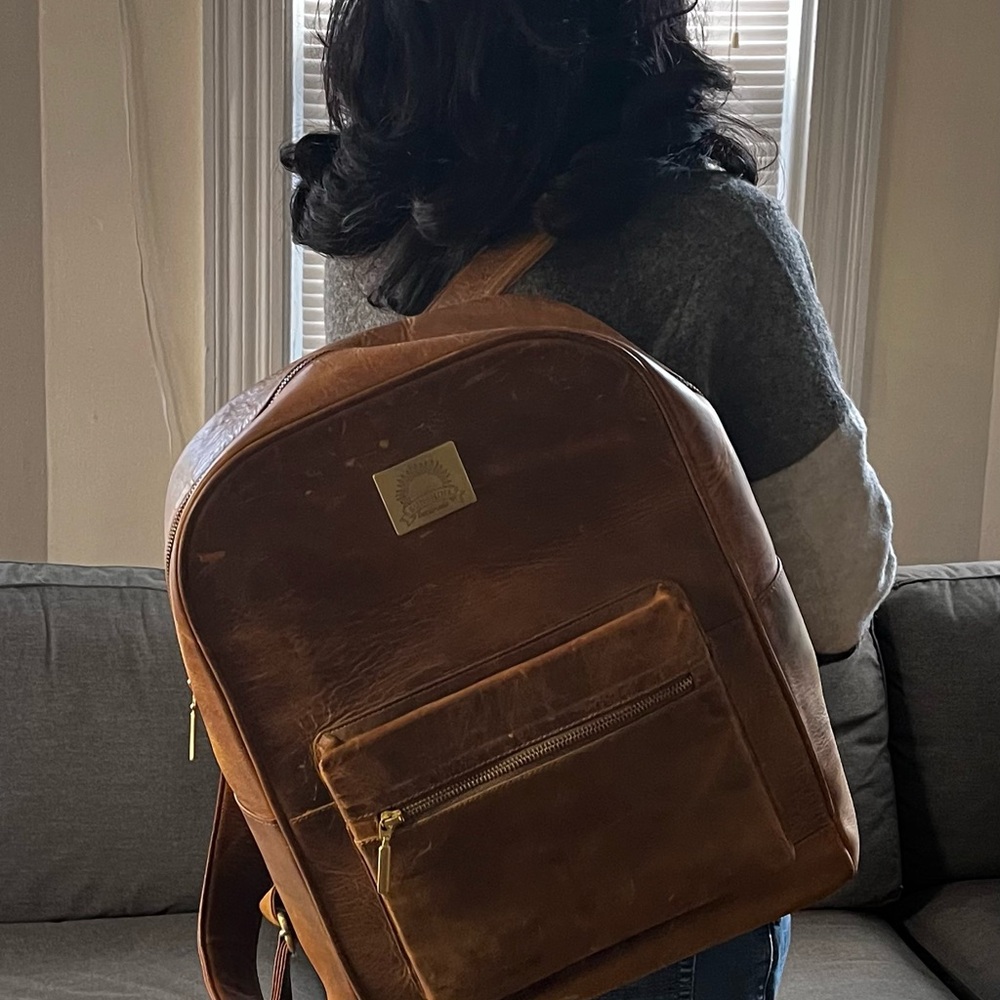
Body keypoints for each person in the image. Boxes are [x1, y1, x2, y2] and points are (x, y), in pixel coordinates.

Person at [280, 1, 897, 997]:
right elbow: (832, 592)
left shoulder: (377, 246)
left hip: (428, 864)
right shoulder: (716, 241)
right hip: (664, 875)